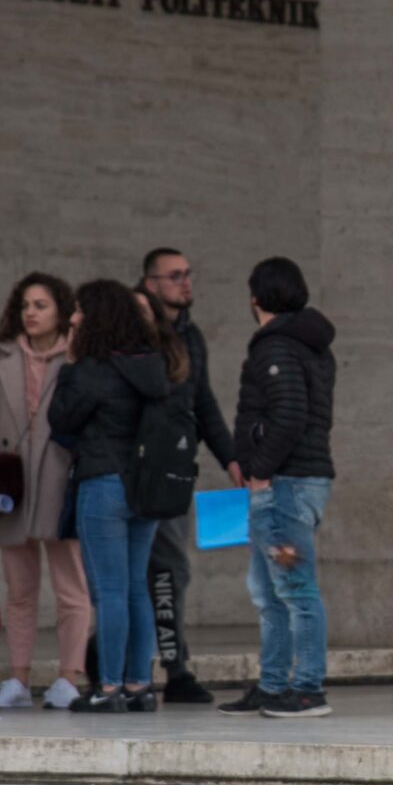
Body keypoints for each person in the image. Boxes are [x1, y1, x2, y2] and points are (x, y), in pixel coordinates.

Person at [48, 279, 184, 713]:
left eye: (79, 310)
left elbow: (60, 420)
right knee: (136, 588)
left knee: (108, 591)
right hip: (145, 488)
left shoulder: (92, 369)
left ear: (96, 317)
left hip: (104, 483)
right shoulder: (151, 365)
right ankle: (139, 685)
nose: (73, 317)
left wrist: (69, 366)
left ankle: (107, 687)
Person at [217, 257, 338, 720]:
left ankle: (306, 689)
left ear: (256, 298)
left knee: (295, 589)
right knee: (268, 592)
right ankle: (273, 685)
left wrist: (261, 470)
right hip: (291, 483)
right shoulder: (308, 344)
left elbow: (288, 415)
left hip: (284, 487)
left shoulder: (277, 347)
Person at [0, 273, 90, 711]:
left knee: (71, 588)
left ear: (61, 310)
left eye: (41, 305)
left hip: (60, 479)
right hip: (11, 484)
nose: (31, 313)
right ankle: (18, 679)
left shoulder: (79, 356)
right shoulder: (2, 357)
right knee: (19, 590)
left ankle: (68, 678)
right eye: (25, 306)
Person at [136, 248, 238, 704]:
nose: (185, 282)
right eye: (174, 275)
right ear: (151, 283)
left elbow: (203, 403)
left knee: (169, 569)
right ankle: (121, 668)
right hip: (136, 471)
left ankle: (174, 668)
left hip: (173, 473)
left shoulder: (191, 335)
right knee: (129, 575)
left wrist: (231, 458)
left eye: (187, 274)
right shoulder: (135, 330)